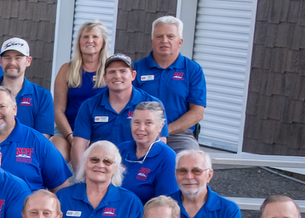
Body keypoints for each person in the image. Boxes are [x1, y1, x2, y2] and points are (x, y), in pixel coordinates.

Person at [135, 16, 207, 154]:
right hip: (141, 133)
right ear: (152, 41)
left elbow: (197, 113)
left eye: (170, 36)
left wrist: (164, 130)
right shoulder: (137, 68)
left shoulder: (192, 70)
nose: (164, 41)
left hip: (179, 135)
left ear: (180, 42)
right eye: (159, 36)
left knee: (191, 165)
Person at [71, 54, 156, 165]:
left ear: (133, 75)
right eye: (111, 72)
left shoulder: (152, 104)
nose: (117, 76)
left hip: (137, 170)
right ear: (105, 77)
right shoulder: (89, 105)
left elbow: (159, 144)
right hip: (101, 168)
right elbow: (78, 146)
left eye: (123, 71)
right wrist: (82, 177)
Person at [52, 20, 111, 152]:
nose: (90, 40)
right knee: (55, 153)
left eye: (95, 37)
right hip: (69, 129)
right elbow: (58, 111)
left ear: (103, 42)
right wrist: (72, 138)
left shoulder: (111, 70)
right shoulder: (66, 69)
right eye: (85, 37)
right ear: (79, 41)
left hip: (100, 131)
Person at [119, 102, 179, 203]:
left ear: (160, 126)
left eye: (148, 123)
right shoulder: (121, 149)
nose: (141, 128)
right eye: (137, 122)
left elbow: (166, 204)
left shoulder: (168, 158)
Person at [0, 38, 56, 135]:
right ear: (0, 61)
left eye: (18, 58)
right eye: (7, 57)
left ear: (28, 61)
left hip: (28, 150)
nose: (12, 62)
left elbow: (42, 138)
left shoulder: (43, 96)